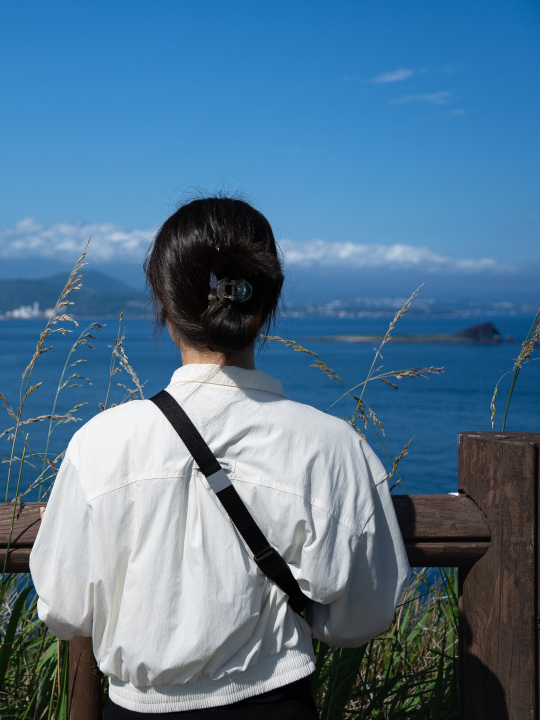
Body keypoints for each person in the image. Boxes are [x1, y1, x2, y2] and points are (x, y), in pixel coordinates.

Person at [28, 197, 410, 718]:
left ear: (164, 306)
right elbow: (364, 616)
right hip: (277, 702)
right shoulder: (335, 447)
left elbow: (65, 611)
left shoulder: (98, 444)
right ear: (266, 306)